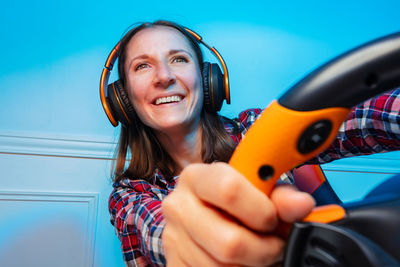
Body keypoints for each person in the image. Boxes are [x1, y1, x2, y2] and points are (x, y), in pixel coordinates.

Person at [105, 20, 400, 266]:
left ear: (208, 80)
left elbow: (365, 119)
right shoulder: (129, 195)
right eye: (142, 66)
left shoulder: (254, 129)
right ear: (123, 99)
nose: (165, 76)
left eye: (179, 59)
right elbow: (162, 235)